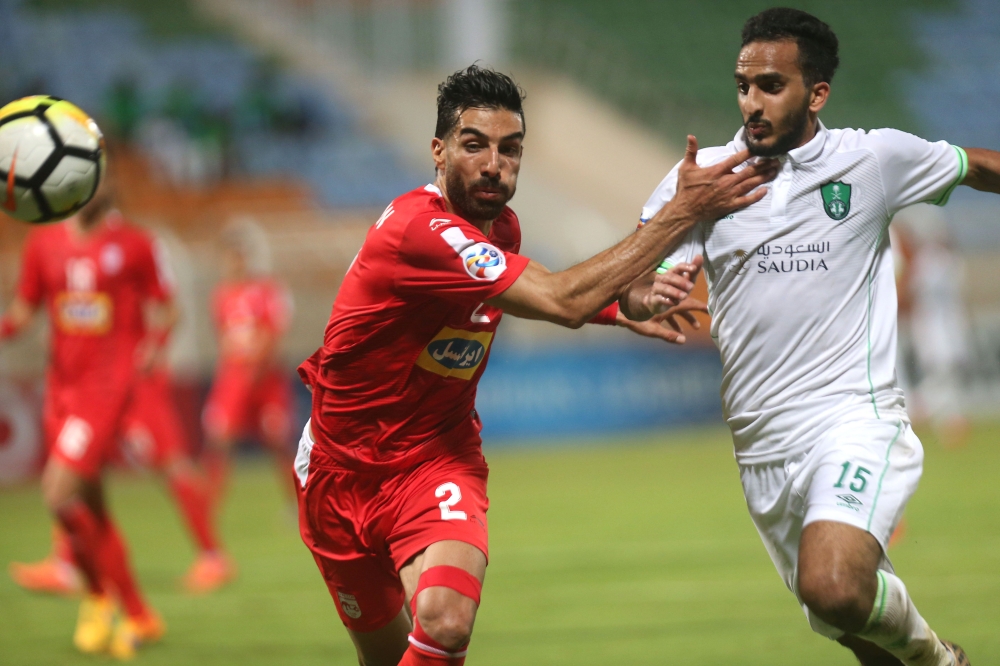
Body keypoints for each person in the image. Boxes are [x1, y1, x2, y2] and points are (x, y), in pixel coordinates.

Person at [294, 64, 776, 666]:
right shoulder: (420, 232)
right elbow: (558, 297)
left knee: (444, 622)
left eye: (510, 149)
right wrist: (682, 212)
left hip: (432, 459)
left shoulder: (503, 229)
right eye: (475, 146)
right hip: (337, 476)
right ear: (438, 153)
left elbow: (540, 293)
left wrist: (625, 304)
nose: (494, 164)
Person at [622, 8, 1000, 665]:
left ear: (816, 93)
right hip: (760, 444)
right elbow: (631, 278)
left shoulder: (873, 158)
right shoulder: (702, 175)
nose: (751, 102)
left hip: (853, 417)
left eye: (771, 85)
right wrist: (647, 293)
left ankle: (942, 660)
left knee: (832, 585)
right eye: (743, 85)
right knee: (849, 621)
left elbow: (976, 166)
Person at [0, 184, 181, 658]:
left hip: (106, 391)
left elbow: (168, 306)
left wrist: (154, 344)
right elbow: (23, 310)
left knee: (58, 492)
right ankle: (138, 613)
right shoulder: (43, 245)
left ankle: (96, 593)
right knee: (94, 511)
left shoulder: (134, 245)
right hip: (60, 391)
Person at [201, 219, 296, 510]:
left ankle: (295, 500)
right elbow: (222, 337)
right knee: (219, 437)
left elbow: (274, 331)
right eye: (229, 258)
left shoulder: (267, 290)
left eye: (238, 257)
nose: (234, 264)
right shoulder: (220, 296)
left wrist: (260, 364)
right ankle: (211, 501)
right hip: (234, 376)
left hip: (265, 377)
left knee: (278, 439)